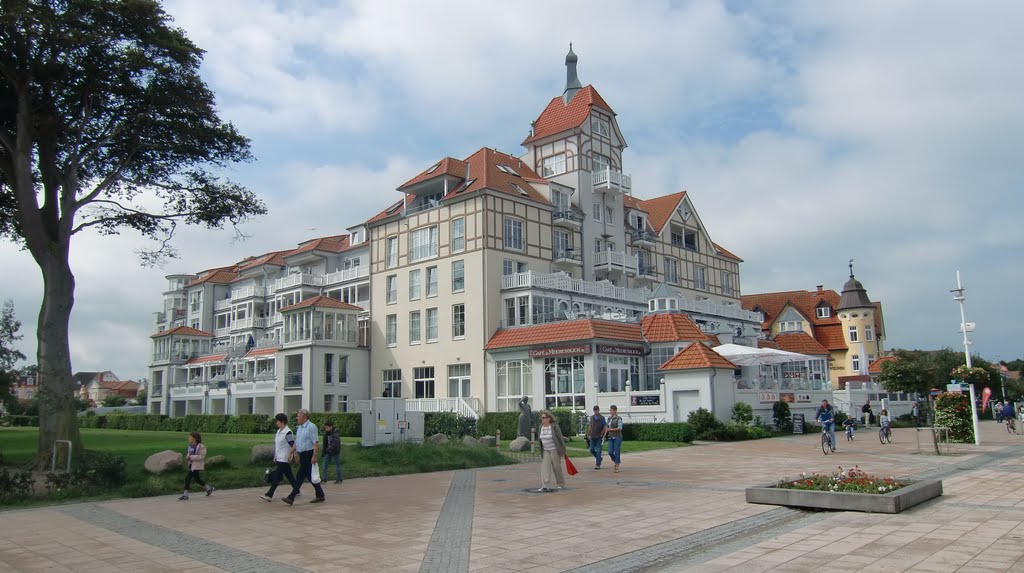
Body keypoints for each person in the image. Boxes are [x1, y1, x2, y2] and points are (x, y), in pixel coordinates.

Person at [283, 409, 326, 505]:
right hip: (302, 454)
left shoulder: (311, 427)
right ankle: (320, 494)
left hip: (308, 454)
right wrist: (292, 452)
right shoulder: (300, 428)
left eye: (299, 416)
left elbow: (315, 442)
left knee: (300, 476)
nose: (297, 418)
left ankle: (291, 497)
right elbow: (297, 442)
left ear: (305, 417)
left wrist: (314, 456)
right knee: (309, 476)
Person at [261, 413, 298, 502]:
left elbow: (293, 445)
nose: (276, 423)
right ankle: (297, 489)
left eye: (277, 421)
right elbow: (278, 445)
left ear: (282, 421)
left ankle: (269, 494)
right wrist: (275, 456)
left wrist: (293, 454)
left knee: (277, 476)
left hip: (285, 458)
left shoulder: (287, 432)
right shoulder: (279, 431)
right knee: (289, 475)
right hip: (279, 457)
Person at [536, 410, 566, 492]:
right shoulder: (540, 427)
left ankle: (560, 483)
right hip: (546, 450)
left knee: (556, 467)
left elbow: (560, 438)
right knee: (545, 467)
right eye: (541, 418)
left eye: (543, 418)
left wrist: (563, 450)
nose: (542, 419)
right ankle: (545, 485)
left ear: (548, 419)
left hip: (554, 449)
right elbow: (539, 440)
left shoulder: (554, 426)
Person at [178, 431, 214, 500]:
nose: (188, 438)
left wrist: (191, 457)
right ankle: (208, 488)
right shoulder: (190, 446)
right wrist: (187, 457)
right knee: (197, 479)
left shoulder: (201, 446)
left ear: (195, 438)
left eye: (190, 437)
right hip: (191, 465)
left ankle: (185, 494)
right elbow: (189, 453)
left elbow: (201, 456)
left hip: (196, 466)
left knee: (187, 478)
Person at [585, 405, 606, 470]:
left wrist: (602, 434)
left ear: (599, 410)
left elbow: (604, 427)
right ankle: (599, 458)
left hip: (599, 436)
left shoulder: (602, 418)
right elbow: (590, 426)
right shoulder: (591, 417)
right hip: (592, 436)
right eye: (594, 410)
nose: (596, 411)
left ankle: (598, 464)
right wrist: (588, 434)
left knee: (598, 450)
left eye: (597, 410)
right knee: (591, 449)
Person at [603, 405, 624, 473]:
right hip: (610, 437)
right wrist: (604, 436)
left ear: (615, 410)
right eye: (610, 410)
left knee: (617, 451)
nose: (610, 411)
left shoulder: (619, 418)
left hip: (618, 437)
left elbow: (620, 428)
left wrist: (611, 429)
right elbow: (607, 428)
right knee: (610, 452)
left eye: (611, 410)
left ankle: (617, 466)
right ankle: (616, 460)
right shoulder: (609, 418)